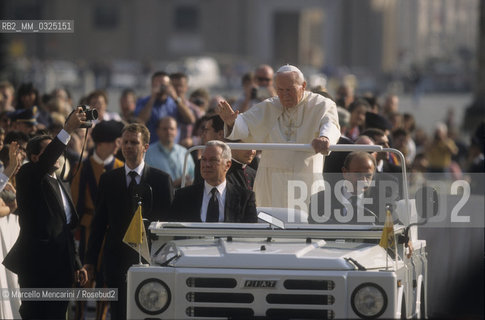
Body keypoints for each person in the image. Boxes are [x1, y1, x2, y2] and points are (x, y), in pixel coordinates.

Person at [3, 107, 88, 319]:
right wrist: (67, 129)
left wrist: (76, 264)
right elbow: (45, 161)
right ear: (34, 158)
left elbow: (67, 228)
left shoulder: (61, 184)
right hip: (37, 269)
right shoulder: (29, 176)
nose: (57, 155)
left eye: (58, 151)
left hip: (62, 269)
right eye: (50, 151)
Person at [217, 64, 340, 209]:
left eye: (289, 90)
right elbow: (244, 126)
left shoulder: (320, 104)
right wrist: (232, 122)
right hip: (272, 179)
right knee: (269, 221)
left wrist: (325, 137)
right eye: (280, 90)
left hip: (304, 177)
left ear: (303, 86)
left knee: (304, 222)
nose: (284, 95)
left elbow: (330, 124)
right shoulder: (269, 106)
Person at [84, 123, 173, 320]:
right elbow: (99, 224)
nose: (129, 146)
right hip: (116, 262)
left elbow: (168, 224)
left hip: (151, 262)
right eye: (125, 142)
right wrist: (90, 260)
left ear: (145, 146)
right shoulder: (108, 179)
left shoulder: (161, 180)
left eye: (134, 142)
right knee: (118, 314)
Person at [70, 120, 124, 320]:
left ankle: (102, 315)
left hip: (111, 232)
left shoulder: (120, 166)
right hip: (88, 229)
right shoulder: (82, 167)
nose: (119, 145)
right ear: (102, 143)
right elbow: (76, 201)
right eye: (115, 141)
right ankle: (79, 315)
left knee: (106, 279)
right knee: (84, 276)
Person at [169, 140, 257, 223]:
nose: (206, 165)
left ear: (227, 165)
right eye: (203, 159)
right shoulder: (183, 197)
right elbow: (172, 231)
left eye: (213, 160)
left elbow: (252, 234)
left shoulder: (245, 198)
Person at [309, 151, 379, 224]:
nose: (363, 180)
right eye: (358, 174)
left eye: (368, 176)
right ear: (345, 173)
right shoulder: (320, 200)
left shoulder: (381, 202)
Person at [135, 71, 195, 144]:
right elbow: (140, 121)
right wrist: (153, 98)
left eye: (163, 85)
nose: (161, 88)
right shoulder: (143, 102)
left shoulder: (175, 103)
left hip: (172, 147)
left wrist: (176, 98)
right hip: (150, 147)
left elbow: (190, 120)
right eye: (157, 84)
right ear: (152, 85)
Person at [145, 116, 195, 188]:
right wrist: (173, 184)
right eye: (165, 129)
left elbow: (193, 176)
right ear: (157, 131)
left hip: (184, 196)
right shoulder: (148, 153)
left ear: (176, 131)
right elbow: (147, 180)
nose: (168, 132)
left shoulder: (184, 152)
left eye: (172, 129)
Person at [170, 72, 203, 147]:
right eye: (174, 86)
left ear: (186, 88)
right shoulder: (163, 107)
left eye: (180, 86)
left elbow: (203, 135)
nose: (177, 89)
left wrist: (192, 141)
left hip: (186, 151)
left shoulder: (194, 110)